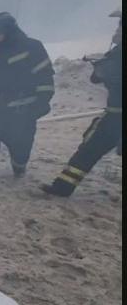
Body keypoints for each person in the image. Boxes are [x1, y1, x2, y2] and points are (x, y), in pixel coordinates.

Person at [0, 12, 55, 181]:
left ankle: (19, 167)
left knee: (20, 146)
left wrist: (41, 103)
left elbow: (45, 78)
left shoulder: (33, 48)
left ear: (9, 31)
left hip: (22, 108)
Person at [41, 11, 122, 197]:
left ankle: (62, 187)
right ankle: (62, 187)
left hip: (115, 117)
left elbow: (102, 76)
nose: (116, 31)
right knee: (89, 150)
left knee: (88, 151)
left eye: (119, 26)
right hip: (114, 115)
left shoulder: (119, 53)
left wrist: (100, 65)